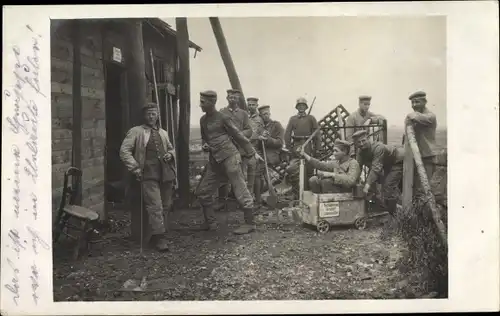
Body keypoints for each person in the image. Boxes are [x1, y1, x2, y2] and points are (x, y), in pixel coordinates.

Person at [196, 90, 257, 235]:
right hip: (215, 160)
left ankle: (250, 223)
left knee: (240, 190)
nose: (200, 105)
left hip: (230, 157)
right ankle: (210, 223)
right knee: (202, 192)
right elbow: (205, 138)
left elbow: (238, 135)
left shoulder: (223, 117)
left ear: (212, 102)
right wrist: (205, 145)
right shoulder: (203, 120)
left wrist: (251, 153)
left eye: (203, 102)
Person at [119, 102, 176, 252]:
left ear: (158, 115)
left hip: (166, 173)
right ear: (144, 116)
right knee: (155, 206)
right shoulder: (136, 132)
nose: (151, 117)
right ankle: (160, 239)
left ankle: (156, 233)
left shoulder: (163, 132)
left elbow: (171, 148)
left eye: (154, 114)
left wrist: (170, 154)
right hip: (148, 174)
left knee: (166, 205)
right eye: (149, 114)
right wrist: (135, 168)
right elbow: (124, 151)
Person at [351, 130, 404, 216]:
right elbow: (358, 167)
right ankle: (382, 207)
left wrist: (366, 186)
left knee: (388, 186)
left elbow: (375, 169)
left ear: (368, 138)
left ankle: (396, 216)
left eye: (363, 140)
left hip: (397, 162)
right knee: (376, 186)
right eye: (358, 142)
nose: (361, 144)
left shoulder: (378, 147)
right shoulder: (360, 152)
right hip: (386, 165)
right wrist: (355, 181)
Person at [218, 89, 256, 203]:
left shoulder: (243, 114)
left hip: (240, 149)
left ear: (238, 99)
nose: (232, 99)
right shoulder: (222, 112)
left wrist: (238, 135)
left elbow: (249, 130)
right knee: (223, 174)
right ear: (227, 98)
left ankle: (241, 201)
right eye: (230, 97)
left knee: (240, 176)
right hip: (226, 148)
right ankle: (222, 201)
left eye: (235, 97)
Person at [284, 97, 322, 195]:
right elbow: (287, 134)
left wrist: (317, 149)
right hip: (297, 144)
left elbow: (317, 134)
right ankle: (297, 193)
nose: (301, 107)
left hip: (308, 144)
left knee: (309, 167)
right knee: (295, 169)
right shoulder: (293, 119)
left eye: (303, 106)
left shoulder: (311, 118)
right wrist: (289, 148)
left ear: (306, 107)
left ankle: (309, 192)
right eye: (299, 106)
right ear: (297, 107)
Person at [405, 91, 437, 199]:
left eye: (417, 102)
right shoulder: (414, 117)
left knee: (426, 187)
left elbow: (416, 117)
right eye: (412, 102)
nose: (414, 105)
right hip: (416, 156)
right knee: (417, 187)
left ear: (425, 102)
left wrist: (409, 117)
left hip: (427, 156)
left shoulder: (430, 117)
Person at [254, 105, 285, 205]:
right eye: (263, 115)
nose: (266, 116)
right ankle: (259, 199)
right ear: (261, 116)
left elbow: (280, 142)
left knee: (259, 169)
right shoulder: (260, 128)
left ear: (270, 113)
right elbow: (256, 144)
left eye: (267, 114)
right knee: (256, 171)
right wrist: (259, 138)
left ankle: (268, 197)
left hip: (273, 155)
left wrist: (268, 139)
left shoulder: (277, 125)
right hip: (262, 155)